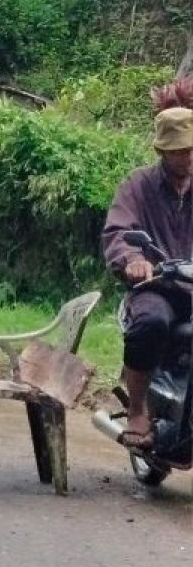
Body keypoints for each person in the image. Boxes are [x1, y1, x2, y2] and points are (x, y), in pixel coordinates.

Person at [102, 106, 193, 450]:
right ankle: (138, 410)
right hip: (157, 286)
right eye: (181, 150)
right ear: (162, 152)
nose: (189, 157)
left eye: (192, 149)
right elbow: (118, 232)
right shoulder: (138, 186)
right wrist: (134, 260)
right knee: (151, 322)